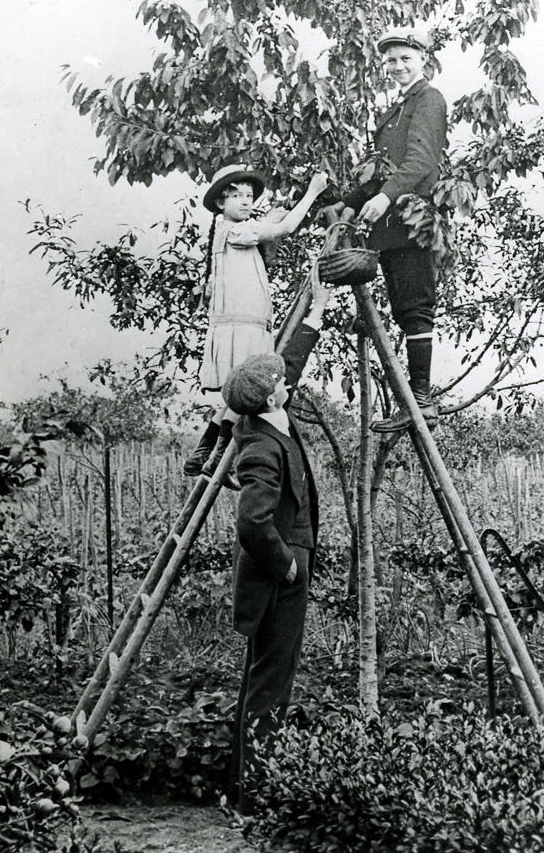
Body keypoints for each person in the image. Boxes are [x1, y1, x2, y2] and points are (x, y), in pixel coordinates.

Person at [223, 273, 332, 815]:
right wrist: (288, 566)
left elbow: (289, 360)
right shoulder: (261, 447)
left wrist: (317, 308)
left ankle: (250, 787)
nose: (289, 382)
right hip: (278, 575)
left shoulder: (267, 414)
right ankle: (258, 798)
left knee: (264, 676)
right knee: (271, 681)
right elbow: (252, 523)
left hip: (285, 563)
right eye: (280, 382)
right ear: (270, 396)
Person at [320, 26, 448, 432]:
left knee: (416, 310)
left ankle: (422, 401)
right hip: (389, 225)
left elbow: (422, 159)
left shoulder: (429, 99)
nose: (397, 66)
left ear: (423, 59)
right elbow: (381, 173)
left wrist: (387, 196)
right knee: (402, 307)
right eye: (391, 60)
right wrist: (350, 202)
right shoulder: (395, 110)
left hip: (413, 219)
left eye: (405, 59)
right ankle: (411, 403)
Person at [183, 163, 328, 480]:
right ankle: (219, 456)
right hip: (242, 327)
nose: (246, 201)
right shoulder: (235, 232)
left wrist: (273, 215)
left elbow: (268, 226)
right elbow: (285, 228)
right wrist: (312, 192)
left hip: (247, 325)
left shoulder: (234, 232)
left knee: (240, 396)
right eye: (237, 196)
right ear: (221, 203)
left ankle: (205, 453)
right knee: (249, 394)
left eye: (249, 196)